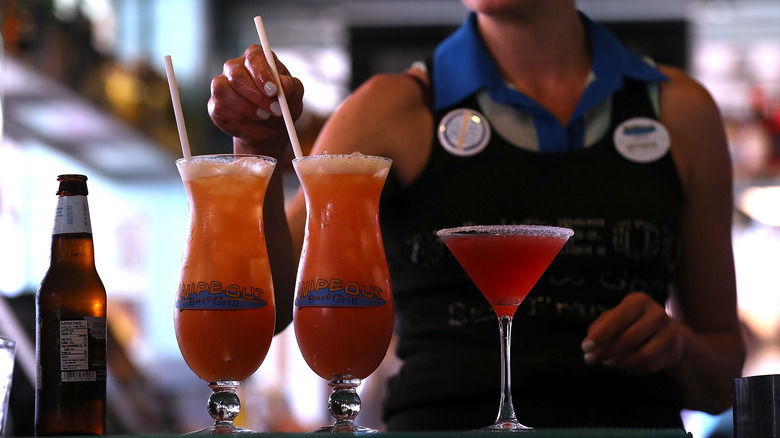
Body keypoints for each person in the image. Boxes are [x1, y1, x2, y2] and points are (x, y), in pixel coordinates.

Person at [207, 0, 745, 431]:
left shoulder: (679, 110)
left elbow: (720, 382)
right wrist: (256, 153)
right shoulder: (391, 109)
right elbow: (269, 305)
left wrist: (679, 347)